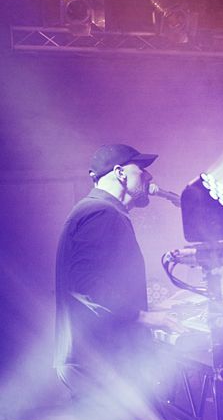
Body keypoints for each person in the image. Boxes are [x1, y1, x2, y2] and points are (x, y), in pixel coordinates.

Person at [54, 144, 181, 397]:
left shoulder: (97, 210)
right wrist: (144, 317)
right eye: (141, 169)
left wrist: (152, 308)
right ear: (120, 173)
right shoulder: (101, 212)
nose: (149, 176)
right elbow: (85, 284)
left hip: (97, 359)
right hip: (99, 361)